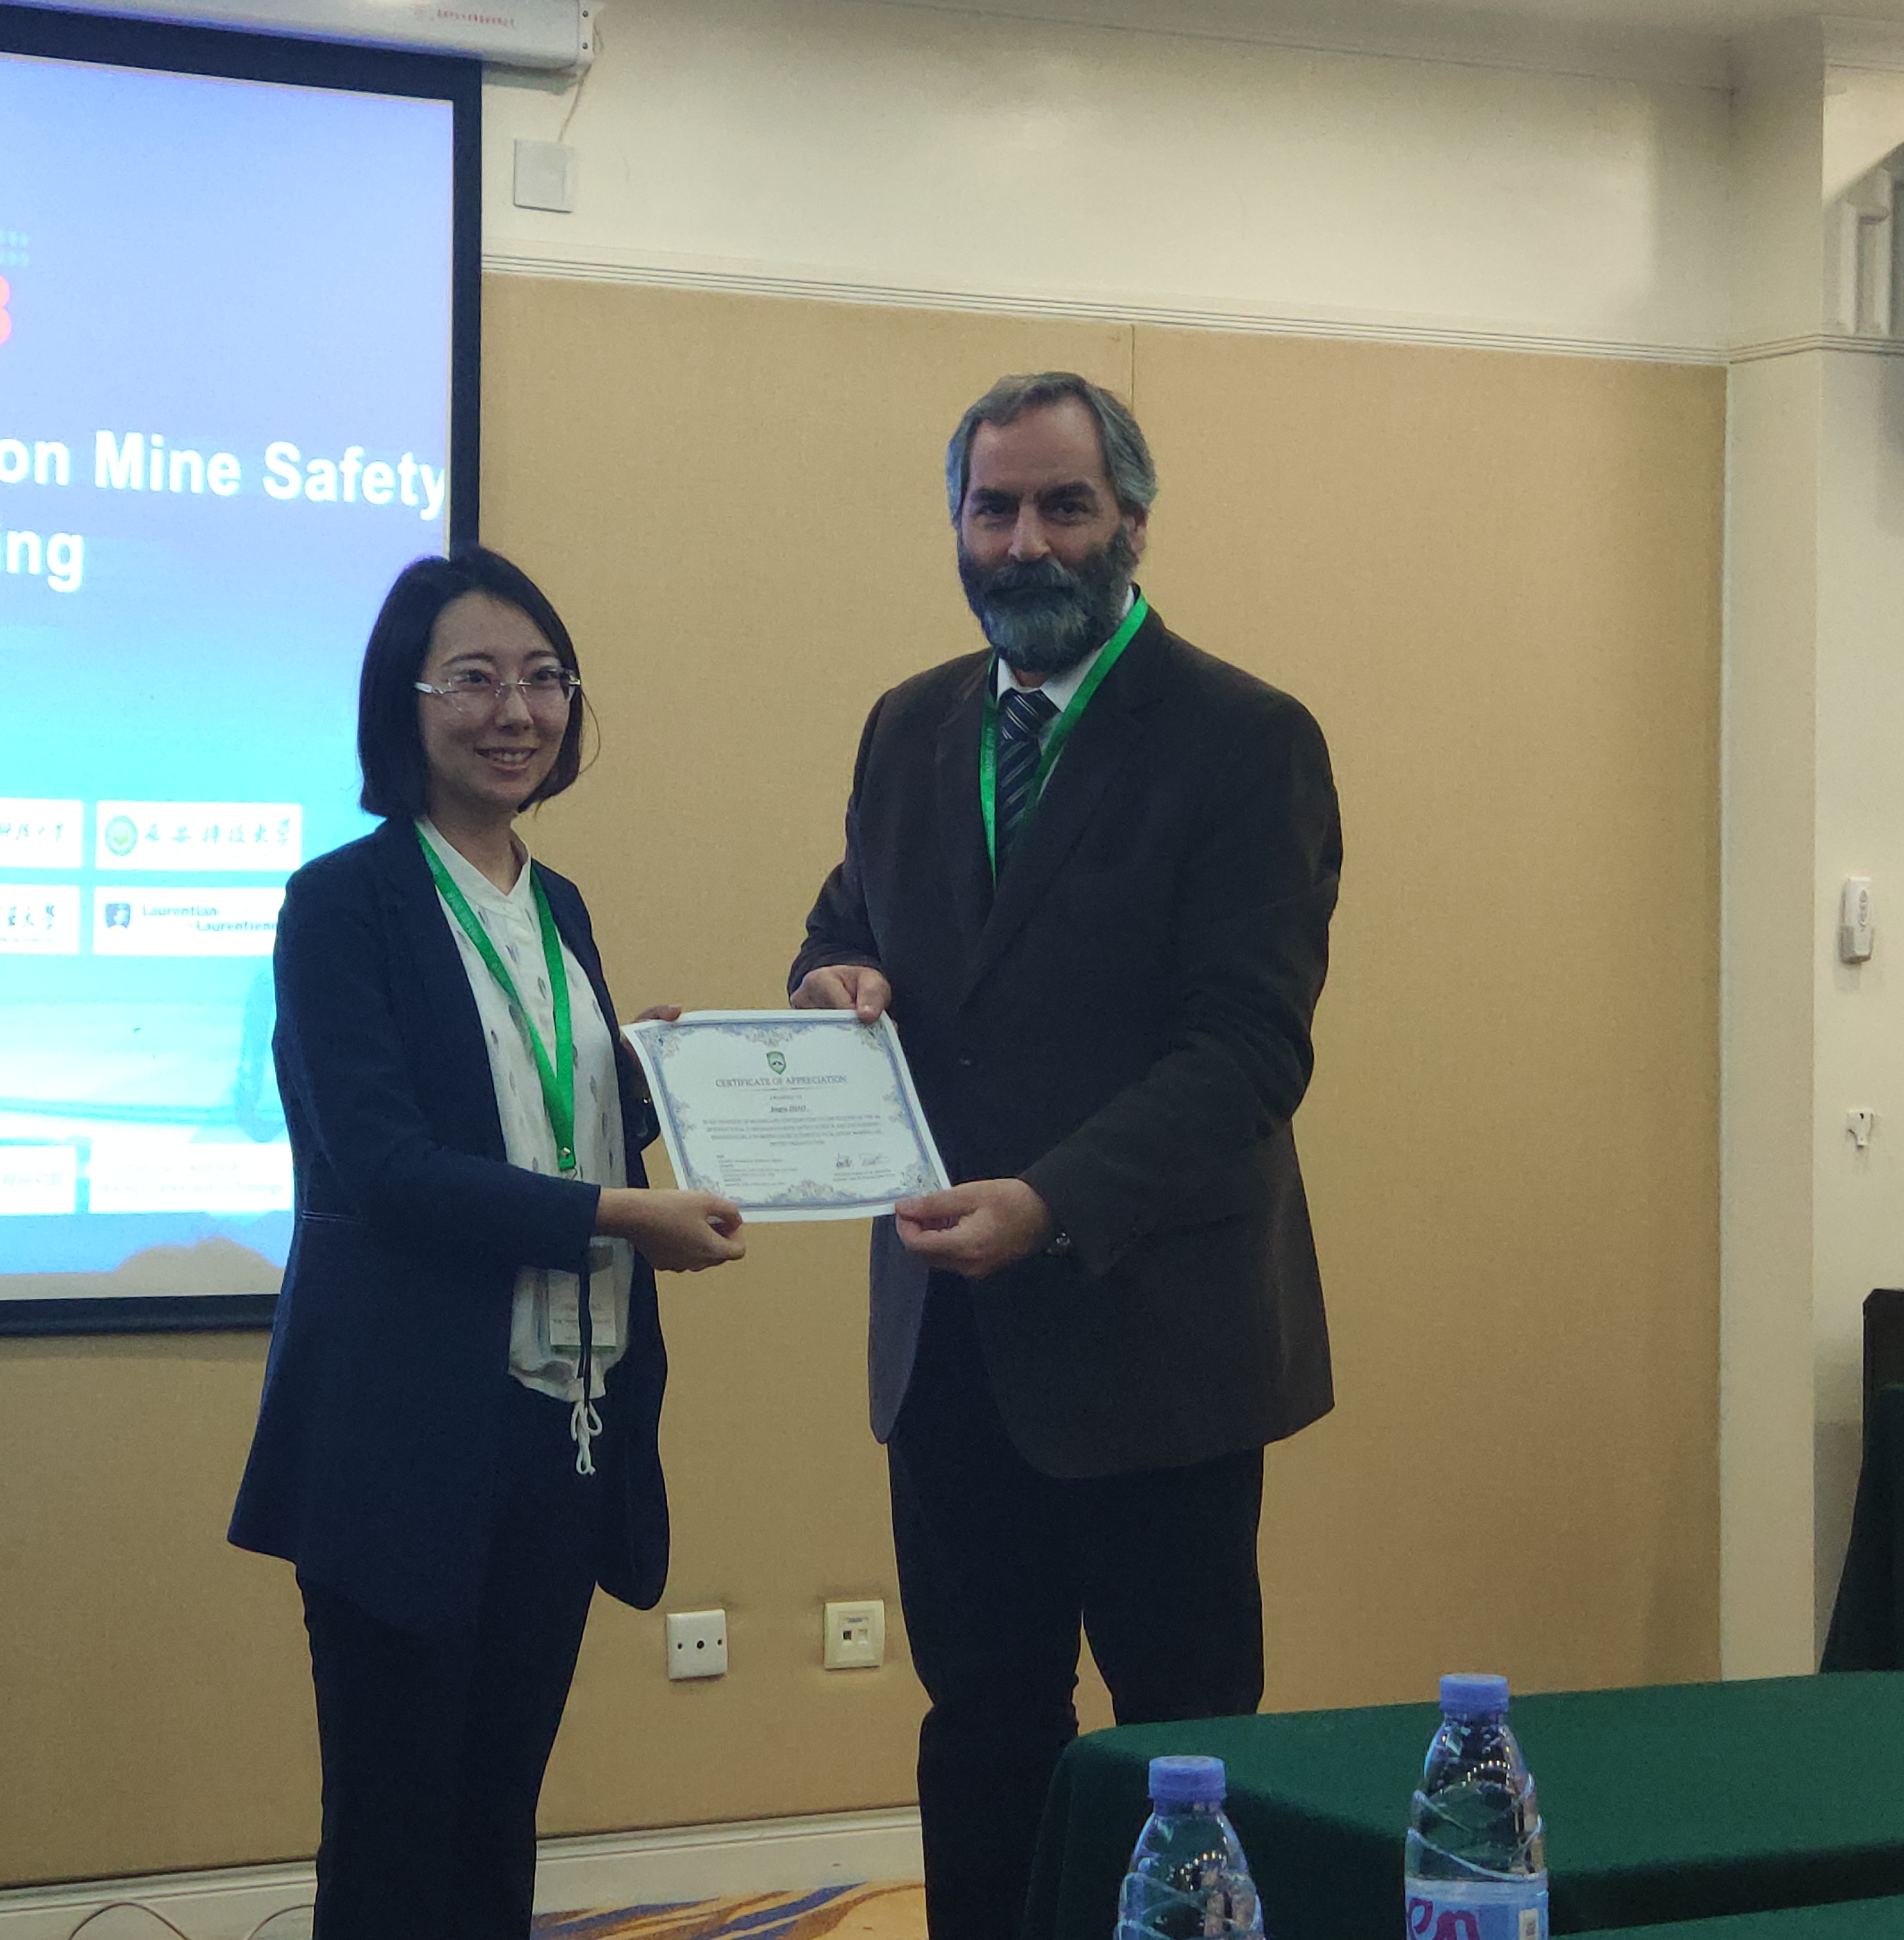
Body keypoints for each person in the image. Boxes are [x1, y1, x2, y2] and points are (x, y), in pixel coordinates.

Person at [788, 373, 1341, 1937]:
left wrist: (1052, 1203)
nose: (1025, 542)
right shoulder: (909, 726)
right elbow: (845, 927)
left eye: (1063, 506)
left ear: (1133, 524)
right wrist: (829, 980)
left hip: (1155, 1346)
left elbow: (1248, 1051)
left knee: (1185, 1746)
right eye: (995, 509)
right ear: (959, 526)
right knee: (981, 1734)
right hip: (949, 1348)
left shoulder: (1246, 739)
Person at [230, 546, 745, 1939]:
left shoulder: (556, 903)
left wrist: (669, 1080)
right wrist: (622, 1217)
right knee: (395, 1835)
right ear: (403, 705)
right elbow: (390, 1172)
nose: (515, 711)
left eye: (543, 678)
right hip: (403, 1435)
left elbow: (537, 1118)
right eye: (473, 679)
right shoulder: (341, 905)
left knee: (497, 1811)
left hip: (561, 1424)